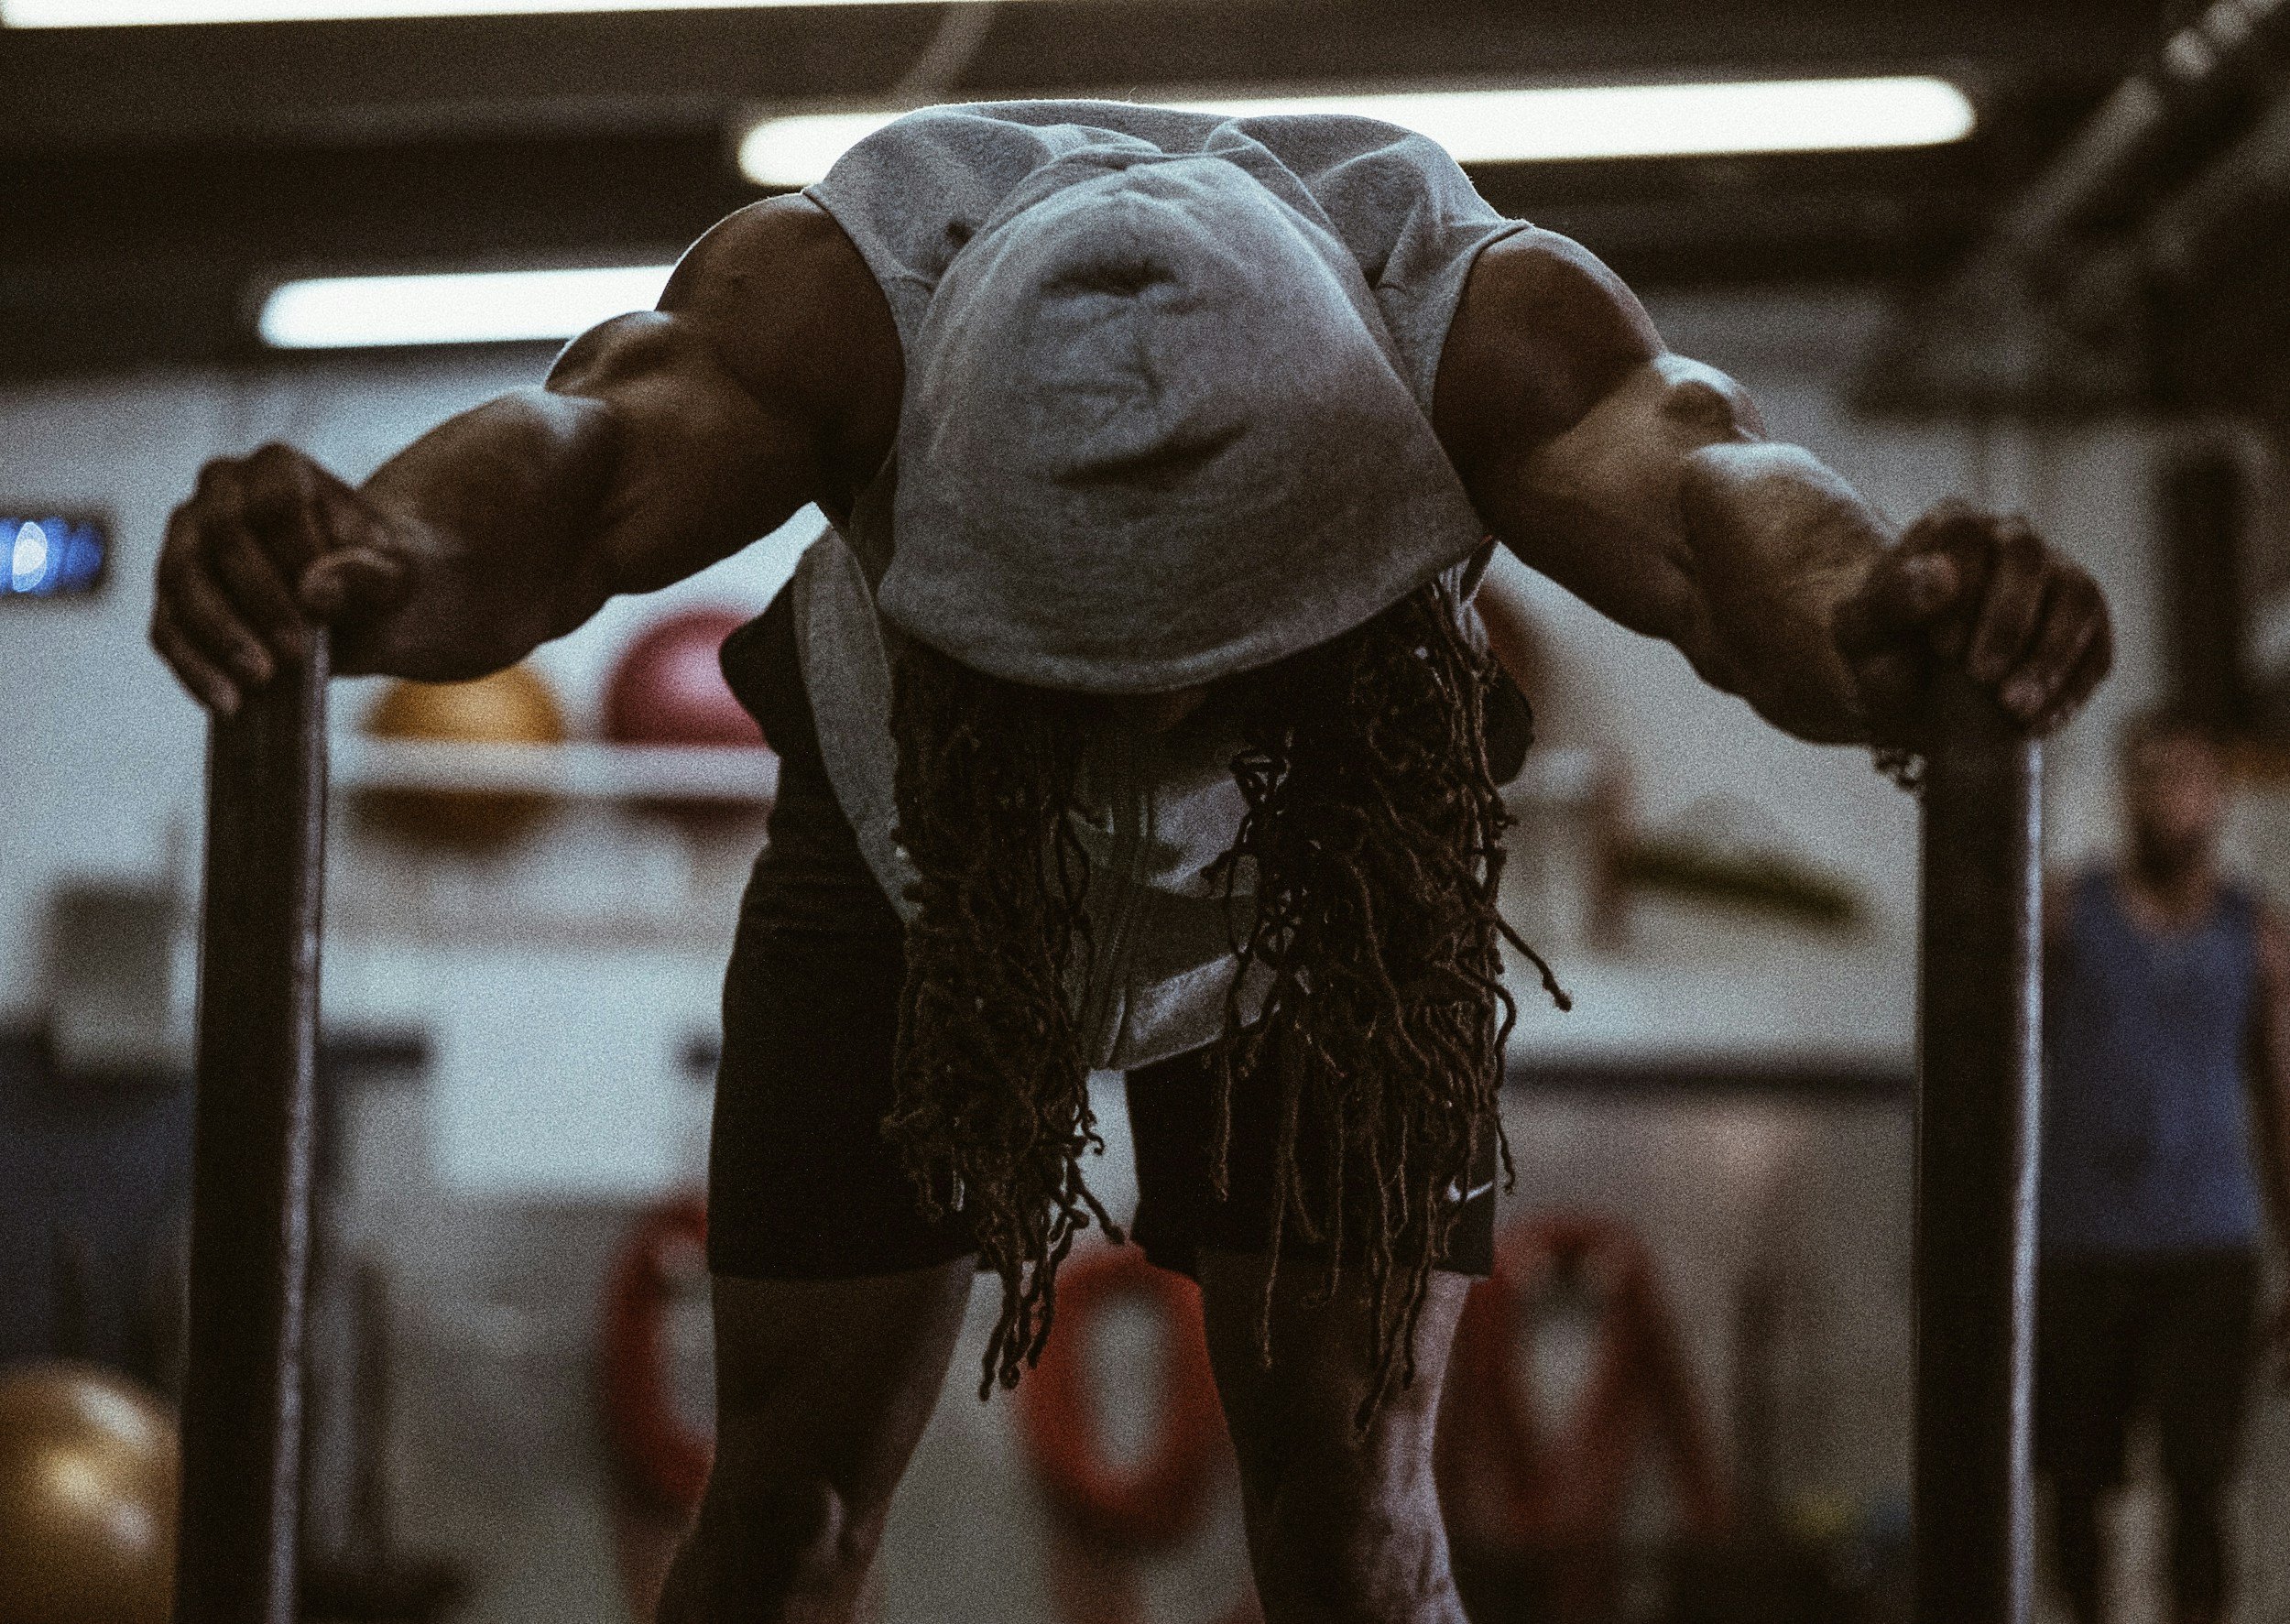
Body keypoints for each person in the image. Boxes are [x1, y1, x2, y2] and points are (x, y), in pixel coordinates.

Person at [149, 103, 2110, 1624]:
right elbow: (570, 483)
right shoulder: (841, 302)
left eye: (1202, 682)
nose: (1146, 740)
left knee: (1357, 1530)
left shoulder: (1464, 320)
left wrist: (1877, 614)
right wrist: (368, 556)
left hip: (1348, 856)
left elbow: (1703, 507)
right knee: (782, 1511)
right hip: (911, 833)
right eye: (1087, 681)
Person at [2039, 714, 2290, 1624]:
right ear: (2124, 794)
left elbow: (2281, 1102)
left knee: (2199, 1482)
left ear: (2218, 796)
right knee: (2074, 1480)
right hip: (2080, 1246)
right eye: (2145, 776)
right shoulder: (2069, 915)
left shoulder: (2254, 935)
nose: (2165, 794)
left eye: (2184, 775)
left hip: (2207, 1248)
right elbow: (1992, 1073)